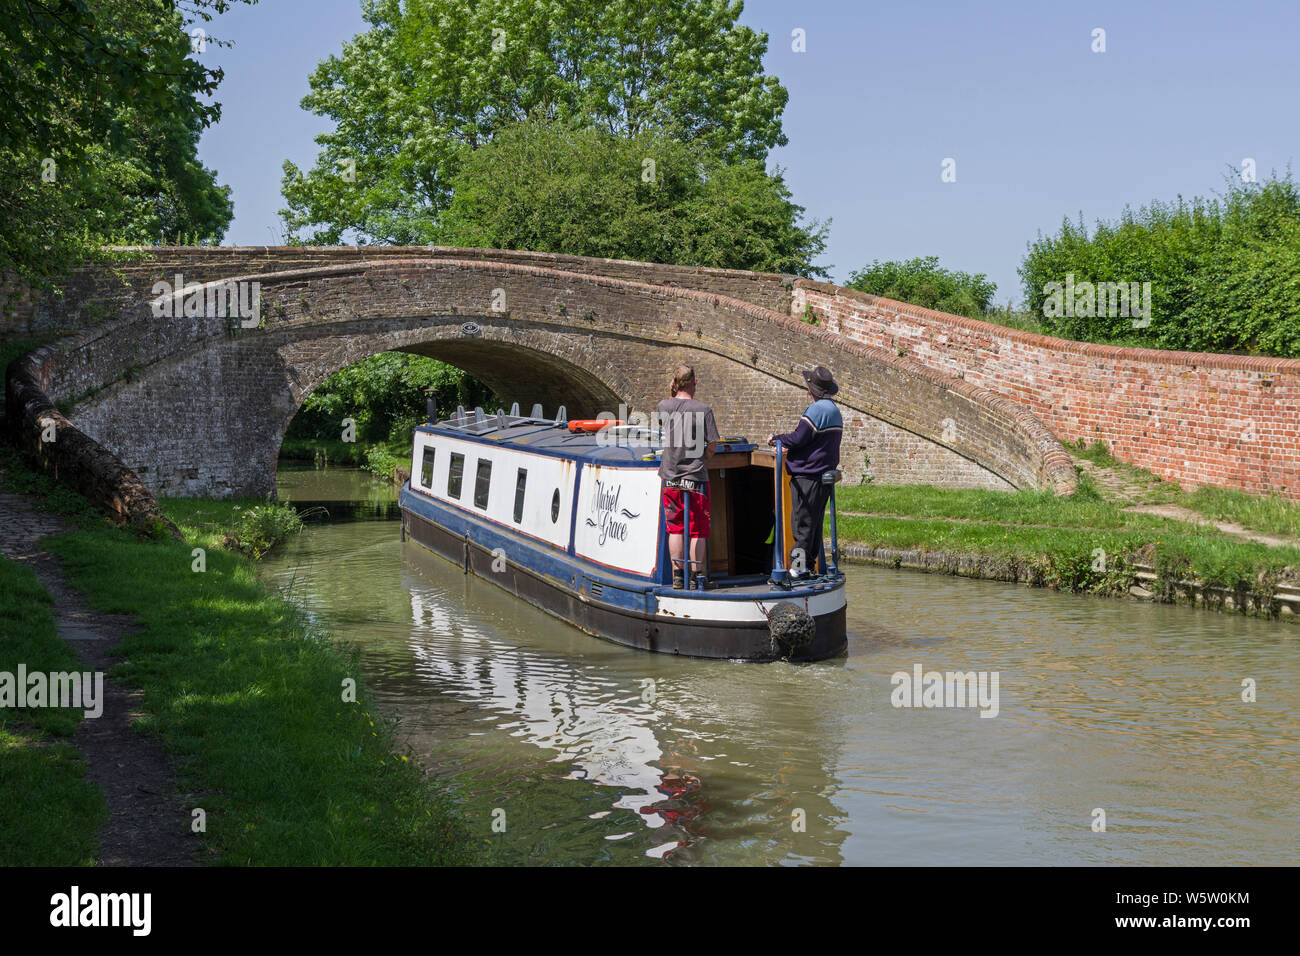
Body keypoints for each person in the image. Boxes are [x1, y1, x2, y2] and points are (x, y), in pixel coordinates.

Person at [767, 366, 843, 578]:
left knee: (801, 524)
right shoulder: (834, 411)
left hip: (808, 476)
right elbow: (815, 442)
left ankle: (798, 568)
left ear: (812, 390)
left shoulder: (816, 411)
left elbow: (800, 437)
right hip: (822, 475)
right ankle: (808, 566)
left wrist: (777, 438)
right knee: (814, 524)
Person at [657, 365, 719, 589]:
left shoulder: (664, 406)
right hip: (696, 478)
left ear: (674, 384)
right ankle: (695, 578)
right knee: (698, 529)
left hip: (671, 476)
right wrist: (703, 457)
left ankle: (677, 576)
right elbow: (712, 445)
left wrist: (672, 391)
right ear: (694, 382)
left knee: (675, 527)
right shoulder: (704, 410)